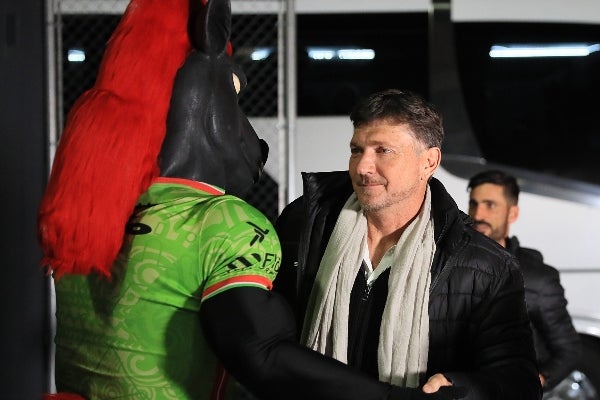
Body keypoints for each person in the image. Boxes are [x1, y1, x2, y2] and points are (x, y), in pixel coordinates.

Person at [38, 1, 466, 400]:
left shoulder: (88, 219)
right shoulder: (223, 221)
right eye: (235, 104)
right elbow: (261, 355)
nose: (254, 139)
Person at [273, 88, 543, 400]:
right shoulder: (304, 224)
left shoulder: (486, 266)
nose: (362, 167)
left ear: (429, 161)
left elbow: (518, 381)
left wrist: (467, 390)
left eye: (383, 151)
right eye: (357, 150)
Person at [467, 169, 581, 392]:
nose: (478, 214)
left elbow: (568, 349)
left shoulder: (537, 279)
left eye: (490, 205)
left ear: (512, 214)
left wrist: (537, 381)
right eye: (474, 204)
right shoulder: (450, 260)